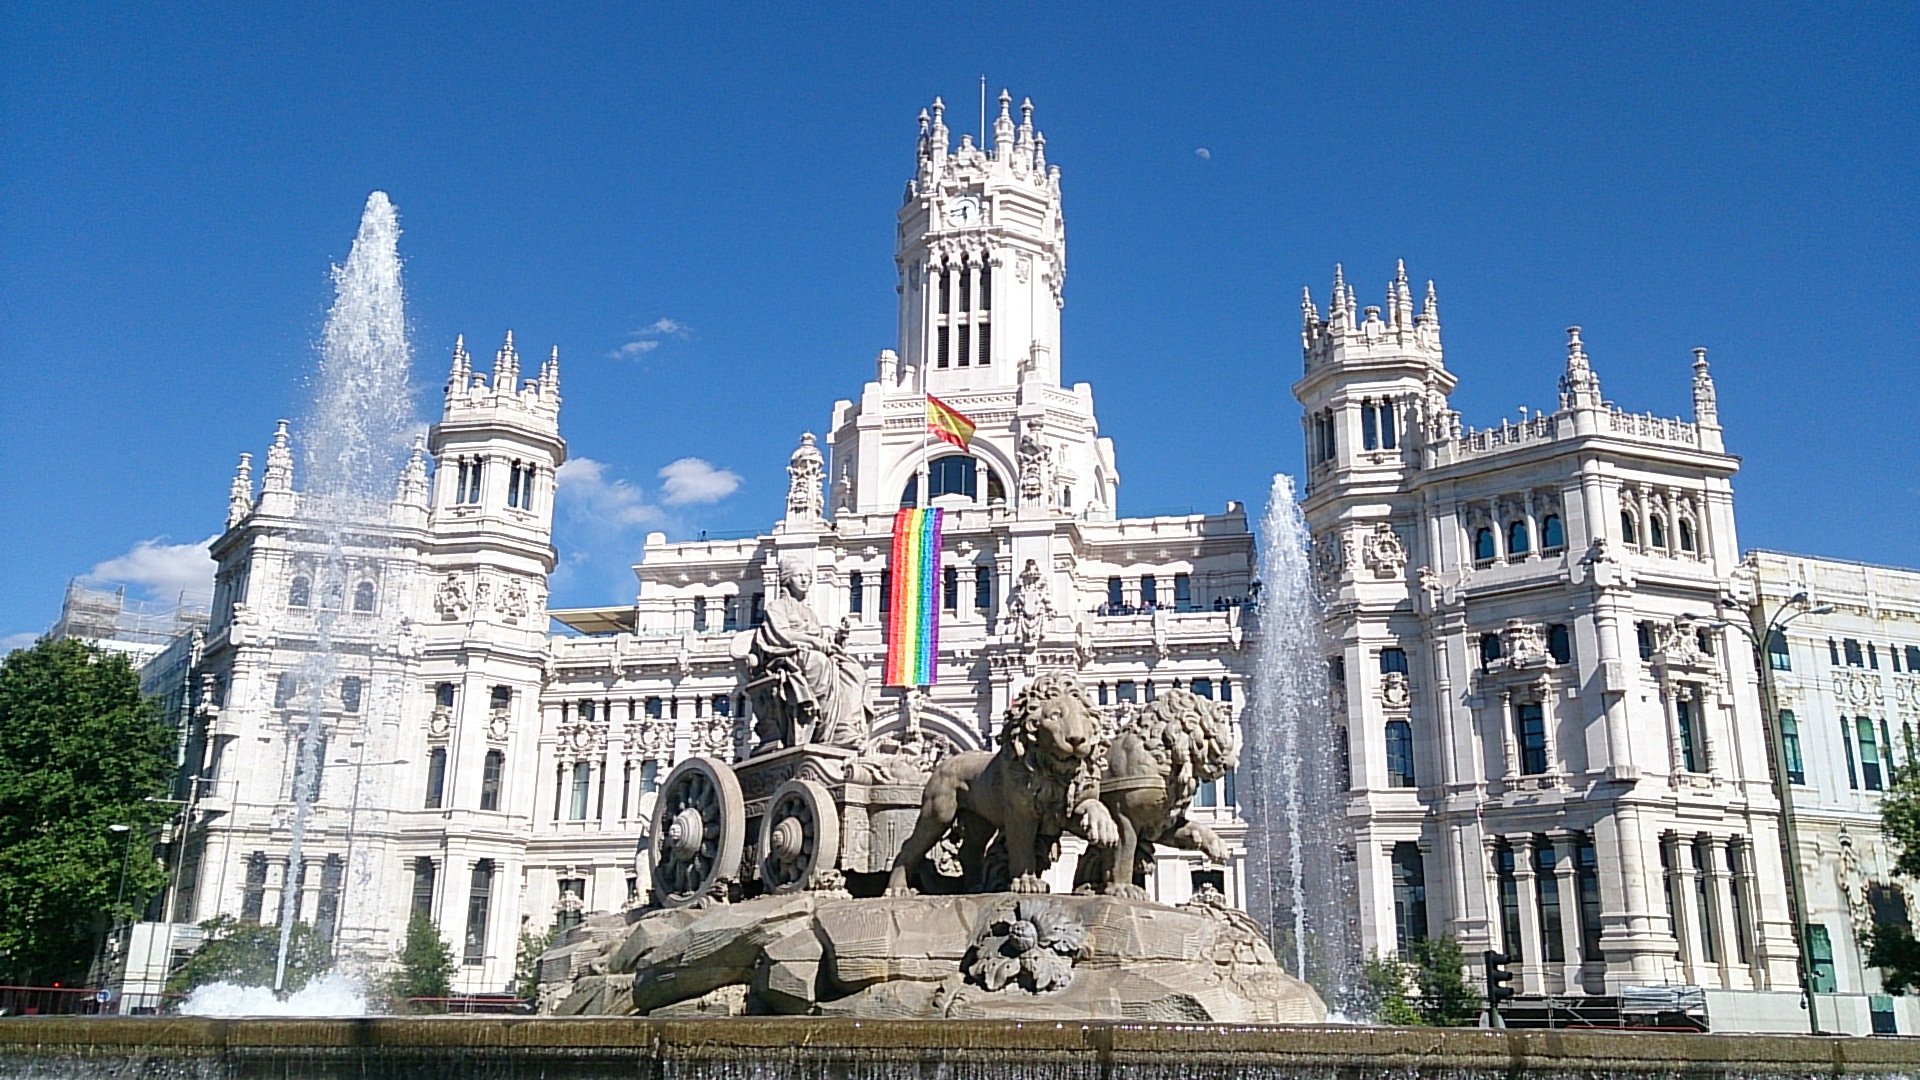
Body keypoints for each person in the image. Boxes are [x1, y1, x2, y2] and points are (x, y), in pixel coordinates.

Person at [742, 557, 872, 750]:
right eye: (799, 576)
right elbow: (782, 635)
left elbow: (823, 641)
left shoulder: (809, 613)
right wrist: (816, 643)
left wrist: (839, 638)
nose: (804, 580)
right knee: (818, 662)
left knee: (854, 671)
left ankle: (843, 727)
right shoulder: (776, 607)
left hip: (811, 654)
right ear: (787, 579)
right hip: (786, 656)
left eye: (807, 576)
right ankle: (819, 727)